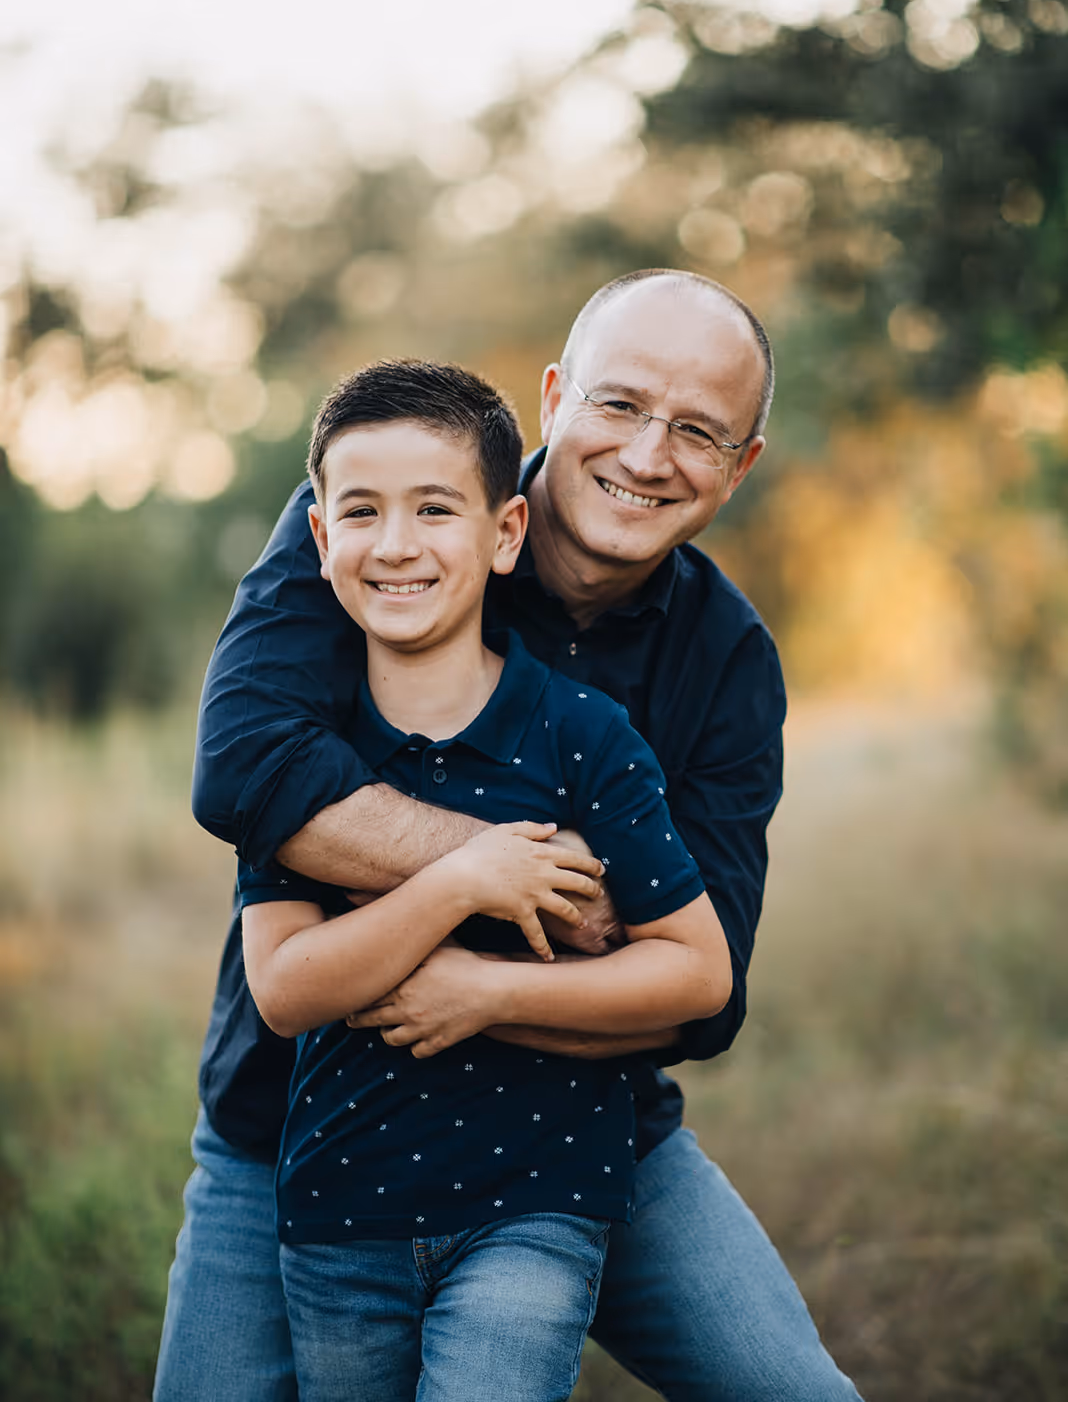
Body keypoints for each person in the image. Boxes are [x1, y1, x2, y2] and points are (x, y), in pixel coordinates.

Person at [155, 268, 862, 1401]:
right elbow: (247, 771)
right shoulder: (388, 523)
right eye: (620, 404)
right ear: (554, 396)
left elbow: (702, 993)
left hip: (575, 1145)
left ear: (741, 467)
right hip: (298, 1132)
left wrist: (479, 994)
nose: (644, 454)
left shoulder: (727, 662)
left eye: (697, 432)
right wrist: (523, 886)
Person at [240, 357, 732, 1401]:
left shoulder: (585, 736)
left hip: (538, 1198)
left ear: (505, 533)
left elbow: (699, 976)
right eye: (363, 512)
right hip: (340, 1215)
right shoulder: (301, 745)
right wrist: (461, 877)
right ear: (320, 539)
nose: (399, 544)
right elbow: (283, 991)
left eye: (434, 509)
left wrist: (486, 988)